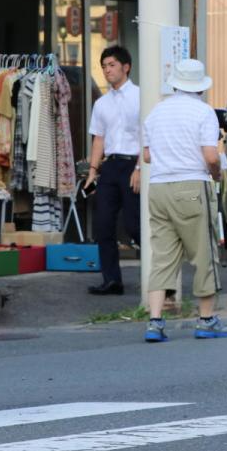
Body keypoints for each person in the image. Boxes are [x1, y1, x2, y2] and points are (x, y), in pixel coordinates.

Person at [142, 58, 227, 343]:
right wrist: (217, 172)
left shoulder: (156, 112)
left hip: (158, 188)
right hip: (192, 185)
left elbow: (146, 156)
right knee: (204, 254)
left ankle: (155, 322)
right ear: (200, 87)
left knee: (162, 258)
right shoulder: (203, 112)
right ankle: (206, 320)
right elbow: (209, 156)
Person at [85, 45, 141, 296]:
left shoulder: (142, 96)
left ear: (126, 67)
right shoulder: (102, 104)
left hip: (134, 163)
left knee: (135, 225)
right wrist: (92, 171)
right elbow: (98, 139)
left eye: (112, 65)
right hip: (110, 166)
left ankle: (158, 276)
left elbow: (147, 136)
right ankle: (112, 280)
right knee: (103, 225)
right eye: (104, 66)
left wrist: (140, 167)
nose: (107, 70)